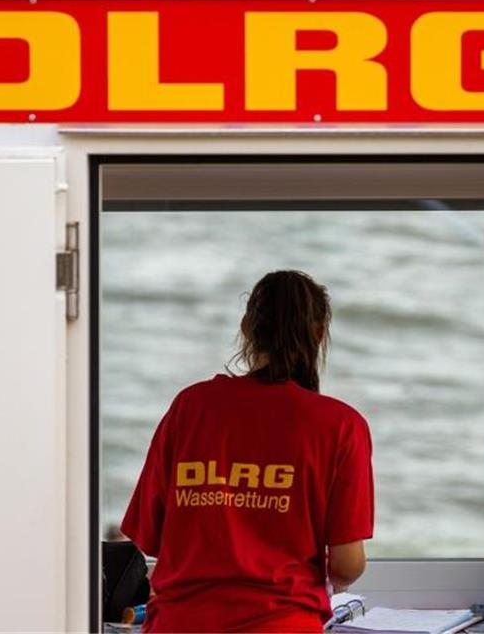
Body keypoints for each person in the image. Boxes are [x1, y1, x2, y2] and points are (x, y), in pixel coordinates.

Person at [121, 270, 375, 633]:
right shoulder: (340, 426)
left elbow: (150, 536)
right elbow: (347, 565)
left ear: (247, 328)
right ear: (319, 334)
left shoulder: (191, 408)